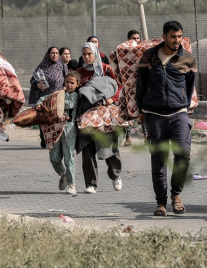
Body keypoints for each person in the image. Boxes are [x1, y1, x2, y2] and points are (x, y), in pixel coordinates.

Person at [136, 20, 197, 216]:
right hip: (155, 115)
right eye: (173, 36)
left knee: (183, 155)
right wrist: (141, 111)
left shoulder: (188, 58)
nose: (176, 40)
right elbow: (141, 84)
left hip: (179, 113)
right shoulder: (149, 56)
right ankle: (161, 202)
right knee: (159, 160)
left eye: (179, 36)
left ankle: (176, 195)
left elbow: (189, 86)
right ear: (164, 37)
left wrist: (184, 105)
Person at [76, 42, 123, 194]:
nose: (87, 57)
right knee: (87, 149)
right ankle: (91, 183)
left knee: (108, 146)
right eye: (84, 54)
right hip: (85, 116)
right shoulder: (78, 72)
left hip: (104, 116)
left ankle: (115, 175)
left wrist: (113, 99)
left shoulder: (106, 69)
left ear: (95, 53)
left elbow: (118, 86)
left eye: (89, 54)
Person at [36, 70, 81, 195]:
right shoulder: (60, 93)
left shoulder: (75, 96)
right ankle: (63, 174)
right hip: (55, 129)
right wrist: (40, 104)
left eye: (72, 83)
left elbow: (67, 104)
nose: (69, 85)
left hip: (68, 128)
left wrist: (51, 102)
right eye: (67, 82)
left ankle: (72, 184)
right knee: (54, 157)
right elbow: (44, 98)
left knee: (69, 158)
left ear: (77, 84)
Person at [29, 47, 68, 148]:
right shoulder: (43, 66)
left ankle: (55, 139)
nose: (54, 55)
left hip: (58, 97)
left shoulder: (62, 66)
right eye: (52, 53)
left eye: (56, 53)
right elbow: (32, 80)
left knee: (56, 118)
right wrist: (38, 85)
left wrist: (65, 87)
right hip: (45, 97)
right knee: (45, 119)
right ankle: (44, 137)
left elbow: (67, 78)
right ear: (48, 54)